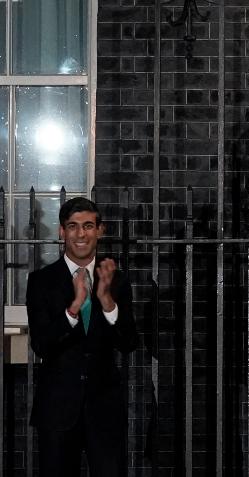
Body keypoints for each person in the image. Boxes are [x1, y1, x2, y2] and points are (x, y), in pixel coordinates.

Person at [27, 197, 138, 476]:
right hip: (57, 410)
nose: (81, 234)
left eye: (88, 225)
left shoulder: (118, 281)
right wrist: (73, 308)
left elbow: (128, 343)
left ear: (100, 230)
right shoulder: (41, 281)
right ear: (62, 232)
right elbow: (41, 344)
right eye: (73, 226)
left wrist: (107, 302)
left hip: (105, 410)